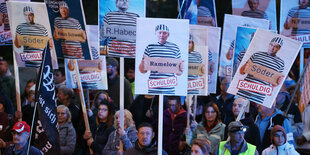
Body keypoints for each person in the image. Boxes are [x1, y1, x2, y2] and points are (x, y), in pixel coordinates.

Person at [139, 24, 184, 94]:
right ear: (155, 33)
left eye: (164, 33)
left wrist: (182, 67)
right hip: (153, 89)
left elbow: (179, 73)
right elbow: (143, 71)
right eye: (159, 32)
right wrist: (142, 63)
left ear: (168, 34)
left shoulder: (175, 48)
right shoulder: (150, 47)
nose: (162, 35)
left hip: (169, 89)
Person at [238, 37, 285, 104]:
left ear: (279, 48)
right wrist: (245, 65)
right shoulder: (257, 54)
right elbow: (241, 72)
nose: (272, 48)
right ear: (269, 44)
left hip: (259, 97)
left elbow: (274, 84)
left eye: (276, 46)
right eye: (271, 45)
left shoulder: (280, 63)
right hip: (244, 92)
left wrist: (279, 82)